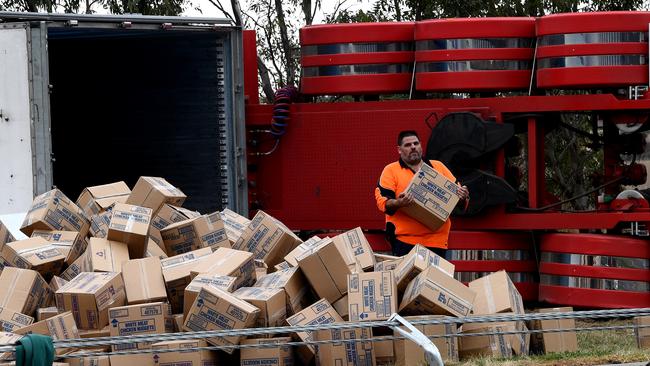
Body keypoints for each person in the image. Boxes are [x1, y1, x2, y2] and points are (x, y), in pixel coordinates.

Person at [374, 130, 469, 258]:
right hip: (405, 241)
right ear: (399, 150)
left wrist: (463, 196)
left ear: (421, 146)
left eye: (416, 143)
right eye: (407, 145)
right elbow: (382, 202)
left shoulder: (438, 167)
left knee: (434, 279)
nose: (413, 147)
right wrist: (399, 203)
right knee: (410, 279)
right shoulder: (391, 170)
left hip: (437, 241)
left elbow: (458, 196)